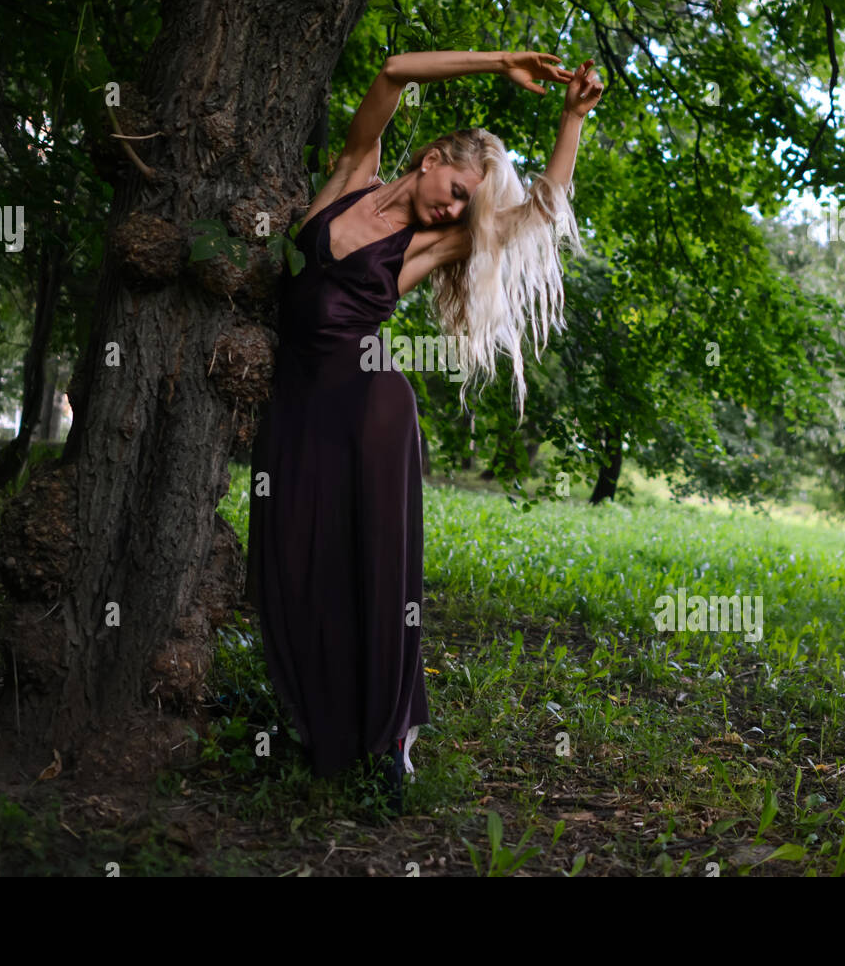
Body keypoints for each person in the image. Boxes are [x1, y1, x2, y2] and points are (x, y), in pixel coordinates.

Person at [245, 49, 604, 814]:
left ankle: (388, 736)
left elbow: (540, 211)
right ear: (432, 157)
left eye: (465, 208)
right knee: (287, 563)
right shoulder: (353, 174)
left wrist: (571, 119)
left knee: (374, 570)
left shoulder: (429, 244)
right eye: (454, 192)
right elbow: (393, 71)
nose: (452, 211)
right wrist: (501, 61)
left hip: (371, 408)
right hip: (296, 406)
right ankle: (320, 721)